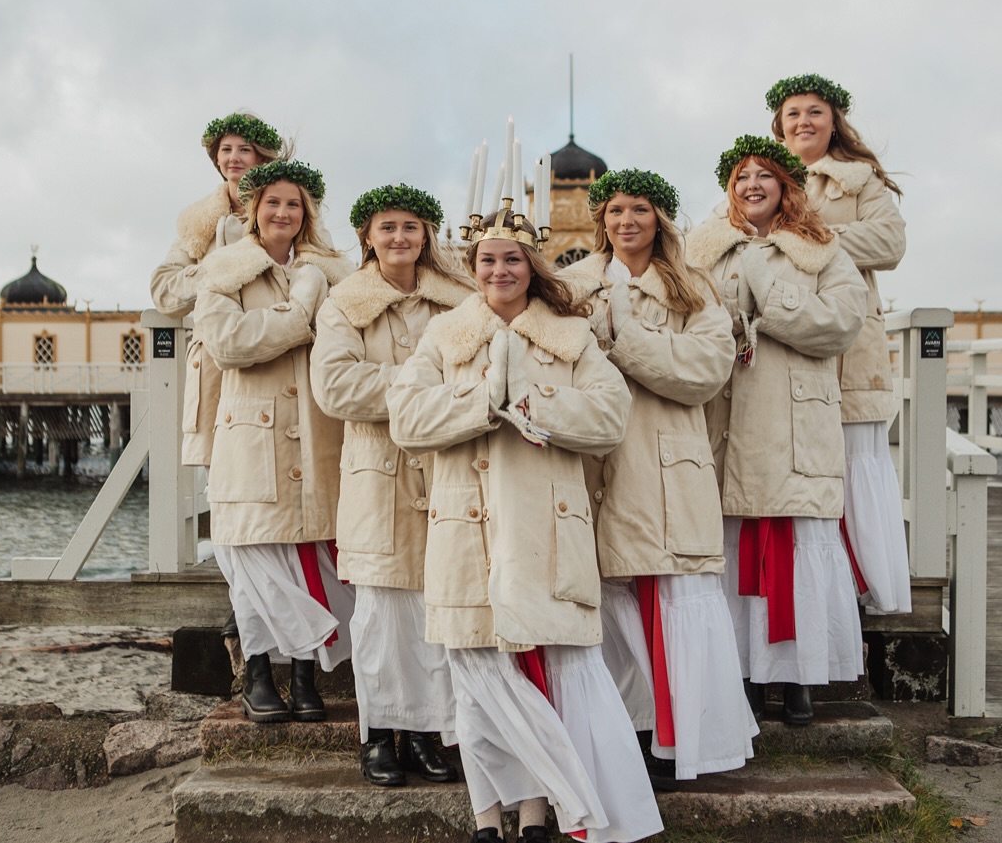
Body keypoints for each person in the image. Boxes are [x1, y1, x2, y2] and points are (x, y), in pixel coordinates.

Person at [387, 209, 661, 843]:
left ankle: (538, 817)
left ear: (532, 267)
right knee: (477, 684)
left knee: (540, 676)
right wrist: (482, 402)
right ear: (473, 267)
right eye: (487, 260)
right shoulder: (445, 335)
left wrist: (534, 404)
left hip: (545, 526)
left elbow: (609, 417)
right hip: (467, 526)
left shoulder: (570, 336)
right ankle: (488, 820)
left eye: (512, 259)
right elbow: (405, 418)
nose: (499, 270)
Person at [559, 169, 757, 787]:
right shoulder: (571, 287)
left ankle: (683, 740)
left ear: (660, 219)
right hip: (598, 464)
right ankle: (630, 731)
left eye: (639, 209)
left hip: (669, 462)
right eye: (615, 210)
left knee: (675, 601)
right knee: (613, 601)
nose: (626, 221)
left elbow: (704, 371)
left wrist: (626, 342)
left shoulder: (694, 291)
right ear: (601, 220)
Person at [686, 135, 867, 725]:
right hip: (730, 421)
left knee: (799, 549)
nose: (752, 185)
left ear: (787, 186)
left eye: (765, 175)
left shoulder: (822, 250)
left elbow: (842, 322)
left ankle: (798, 676)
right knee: (735, 548)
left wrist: (770, 306)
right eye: (741, 177)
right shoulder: (704, 252)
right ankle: (739, 672)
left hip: (794, 421)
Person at [310, 184, 473, 786]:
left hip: (441, 470)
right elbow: (336, 388)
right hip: (377, 473)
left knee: (435, 607)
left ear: (427, 233)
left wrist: (415, 388)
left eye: (411, 226)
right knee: (380, 612)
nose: (400, 237)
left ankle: (429, 732)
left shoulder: (458, 302)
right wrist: (422, 383)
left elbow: (476, 370)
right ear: (367, 237)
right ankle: (379, 734)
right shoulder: (343, 305)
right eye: (388, 227)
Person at [195, 159, 354, 723]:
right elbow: (230, 343)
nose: (283, 213)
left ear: (306, 214)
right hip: (250, 434)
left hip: (314, 427)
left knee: (308, 552)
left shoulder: (330, 273)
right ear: (253, 211)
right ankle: (258, 675)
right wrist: (300, 310)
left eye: (294, 204)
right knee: (256, 558)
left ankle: (307, 675)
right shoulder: (223, 273)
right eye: (273, 204)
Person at [767, 73, 910, 615]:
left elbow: (889, 241)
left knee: (855, 460)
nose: (803, 122)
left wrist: (807, 239)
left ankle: (863, 582)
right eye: (793, 113)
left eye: (814, 112)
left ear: (834, 122)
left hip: (850, 345)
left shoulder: (859, 180)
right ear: (778, 123)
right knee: (799, 463)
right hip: (786, 343)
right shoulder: (760, 175)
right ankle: (810, 588)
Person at [151, 112, 290, 468]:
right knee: (225, 471)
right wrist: (220, 271)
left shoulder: (287, 209)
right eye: (226, 149)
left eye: (245, 149)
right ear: (216, 158)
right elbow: (165, 291)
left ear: (261, 156)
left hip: (276, 345)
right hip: (217, 359)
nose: (234, 158)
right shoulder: (199, 222)